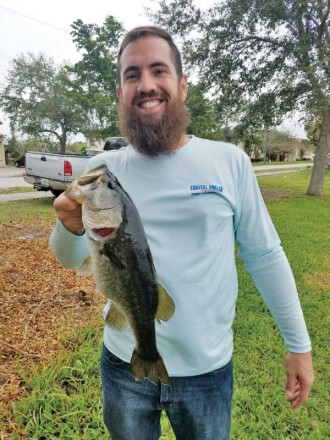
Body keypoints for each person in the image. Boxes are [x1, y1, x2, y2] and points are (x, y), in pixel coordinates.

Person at [51, 26, 314, 440]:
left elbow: (264, 254)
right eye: (132, 74)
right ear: (120, 93)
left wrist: (299, 344)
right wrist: (67, 225)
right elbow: (70, 258)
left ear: (182, 84)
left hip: (206, 371)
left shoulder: (229, 161)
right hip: (123, 364)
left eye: (159, 70)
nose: (147, 84)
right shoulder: (103, 169)